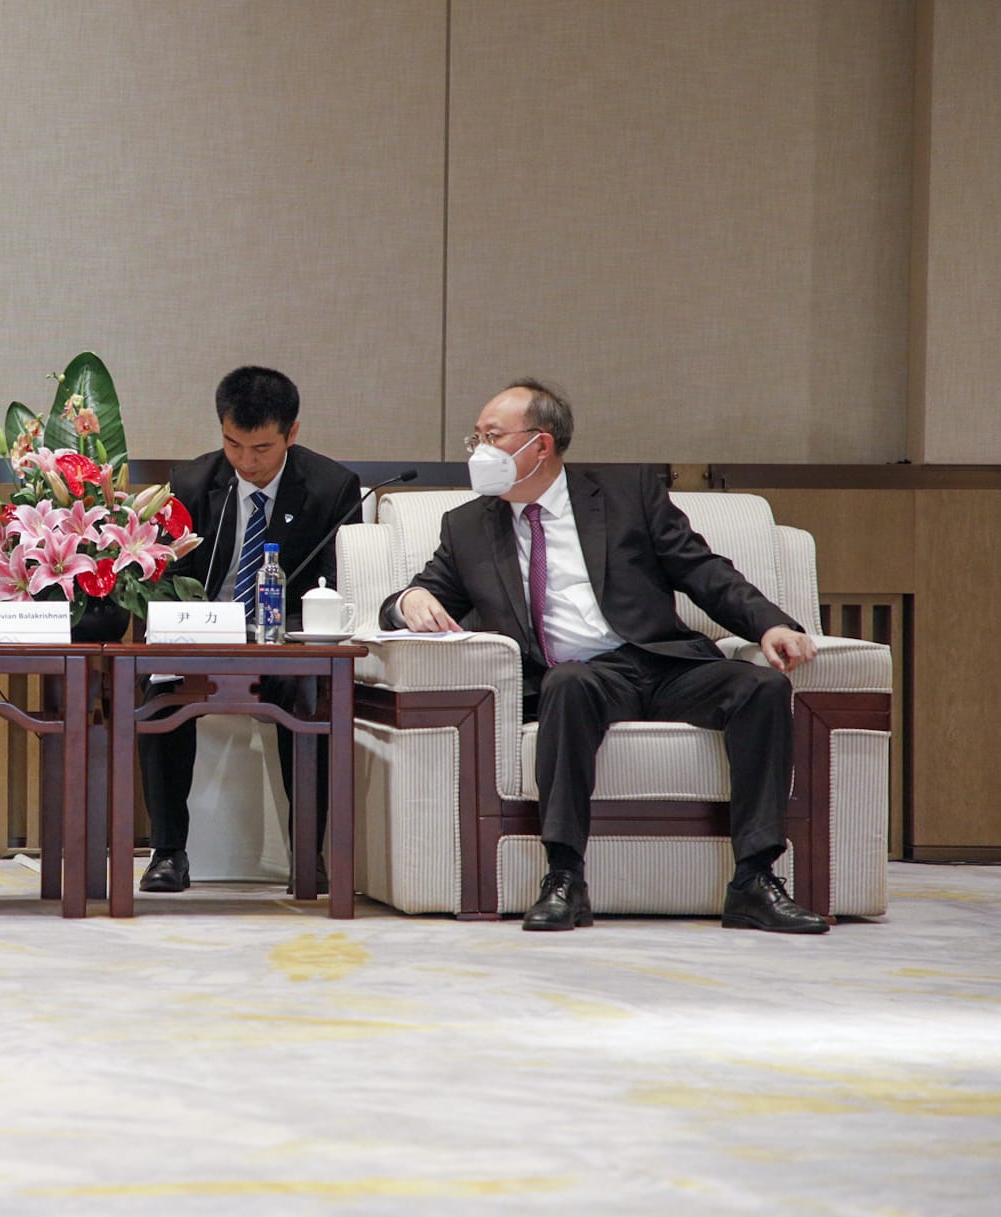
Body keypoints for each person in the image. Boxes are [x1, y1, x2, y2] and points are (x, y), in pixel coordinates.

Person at [382, 378, 827, 934]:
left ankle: (754, 881)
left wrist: (770, 624)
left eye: (491, 438)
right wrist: (410, 599)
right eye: (476, 439)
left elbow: (702, 571)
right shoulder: (470, 525)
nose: (479, 453)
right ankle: (564, 878)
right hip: (581, 680)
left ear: (539, 445)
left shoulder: (626, 494)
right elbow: (414, 598)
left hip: (662, 663)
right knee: (566, 684)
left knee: (763, 688)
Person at [138, 366, 363, 894]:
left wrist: (287, 636)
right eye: (233, 445)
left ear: (292, 433)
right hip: (202, 642)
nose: (246, 461)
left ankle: (308, 855)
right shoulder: (192, 482)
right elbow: (166, 579)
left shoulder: (332, 488)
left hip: (285, 648)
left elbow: (338, 592)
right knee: (158, 691)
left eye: (261, 448)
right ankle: (168, 853)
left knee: (308, 695)